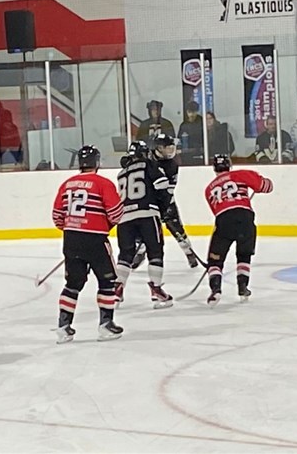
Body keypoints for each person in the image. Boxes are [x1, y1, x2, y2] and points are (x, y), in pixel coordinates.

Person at [51, 145, 124, 343]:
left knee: (72, 284)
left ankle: (63, 327)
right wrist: (102, 224)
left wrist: (74, 229)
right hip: (95, 240)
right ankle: (106, 325)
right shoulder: (103, 183)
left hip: (71, 240)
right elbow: (116, 214)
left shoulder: (66, 184)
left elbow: (57, 216)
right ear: (97, 162)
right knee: (107, 282)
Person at [203, 154, 273, 306]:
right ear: (229, 165)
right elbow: (267, 187)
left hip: (224, 220)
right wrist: (264, 181)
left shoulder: (209, 189)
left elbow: (217, 211)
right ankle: (243, 287)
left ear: (214, 168)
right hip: (245, 217)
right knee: (244, 255)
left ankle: (215, 289)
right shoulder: (241, 174)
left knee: (215, 260)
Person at [113, 141, 174, 309]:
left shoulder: (121, 173)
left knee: (125, 255)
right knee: (155, 252)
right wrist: (164, 209)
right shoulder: (148, 164)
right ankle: (156, 290)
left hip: (125, 218)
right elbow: (162, 186)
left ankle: (117, 290)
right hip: (147, 214)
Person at [133, 133, 199, 269]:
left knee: (177, 229)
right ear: (157, 148)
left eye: (171, 147)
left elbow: (169, 189)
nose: (170, 151)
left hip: (166, 201)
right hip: (149, 202)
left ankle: (188, 251)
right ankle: (140, 252)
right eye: (167, 148)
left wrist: (166, 206)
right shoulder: (147, 160)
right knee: (143, 230)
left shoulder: (172, 165)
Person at [177, 101, 204, 166]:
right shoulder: (184, 125)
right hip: (187, 154)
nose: (191, 115)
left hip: (200, 152)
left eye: (193, 112)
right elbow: (179, 139)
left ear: (197, 111)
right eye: (189, 112)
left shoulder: (202, 122)